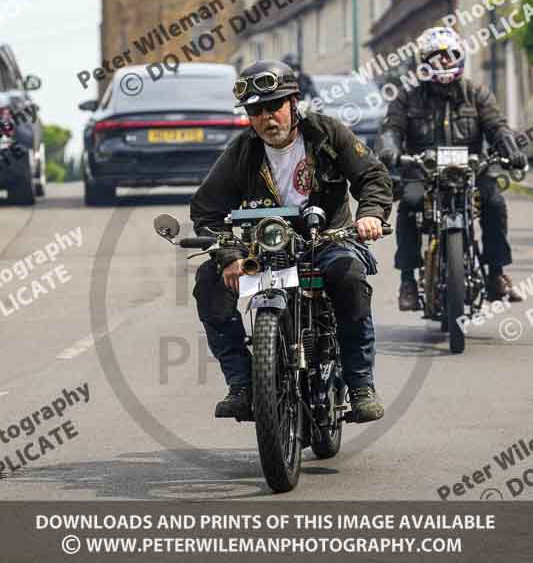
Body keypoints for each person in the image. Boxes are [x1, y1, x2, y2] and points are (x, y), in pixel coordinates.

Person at [190, 59, 393, 422]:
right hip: (265, 252)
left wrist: (371, 214)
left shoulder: (327, 133)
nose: (266, 117)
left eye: (273, 107)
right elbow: (206, 210)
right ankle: (241, 383)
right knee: (209, 281)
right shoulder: (241, 152)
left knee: (348, 275)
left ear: (293, 102)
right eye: (255, 111)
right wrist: (230, 254)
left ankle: (360, 383)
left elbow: (373, 176)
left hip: (329, 242)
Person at [376, 26, 528, 311]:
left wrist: (512, 150)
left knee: (494, 203)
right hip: (424, 172)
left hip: (471, 172)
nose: (444, 62)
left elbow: (498, 127)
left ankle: (496, 274)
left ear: (460, 57)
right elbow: (391, 128)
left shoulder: (476, 93)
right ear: (424, 61)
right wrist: (389, 148)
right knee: (408, 204)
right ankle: (408, 281)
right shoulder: (407, 98)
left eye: (450, 55)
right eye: (436, 56)